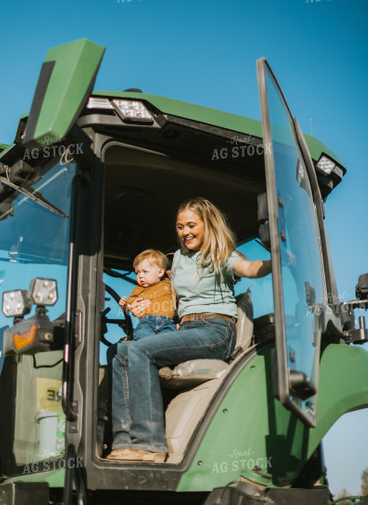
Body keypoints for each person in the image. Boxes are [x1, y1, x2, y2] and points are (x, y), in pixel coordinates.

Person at [107, 197, 271, 462]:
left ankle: (149, 445)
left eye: (191, 225)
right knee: (120, 352)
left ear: (207, 225)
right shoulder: (179, 260)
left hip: (216, 330)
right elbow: (170, 298)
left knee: (139, 350)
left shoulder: (220, 255)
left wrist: (279, 260)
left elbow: (250, 268)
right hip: (186, 328)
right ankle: (125, 442)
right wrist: (143, 307)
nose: (185, 231)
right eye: (180, 226)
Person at [119, 249, 176, 340]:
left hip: (168, 321)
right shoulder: (139, 288)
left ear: (160, 272)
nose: (140, 276)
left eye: (145, 272)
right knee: (143, 338)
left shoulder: (168, 284)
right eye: (137, 272)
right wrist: (125, 306)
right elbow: (130, 306)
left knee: (168, 342)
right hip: (147, 321)